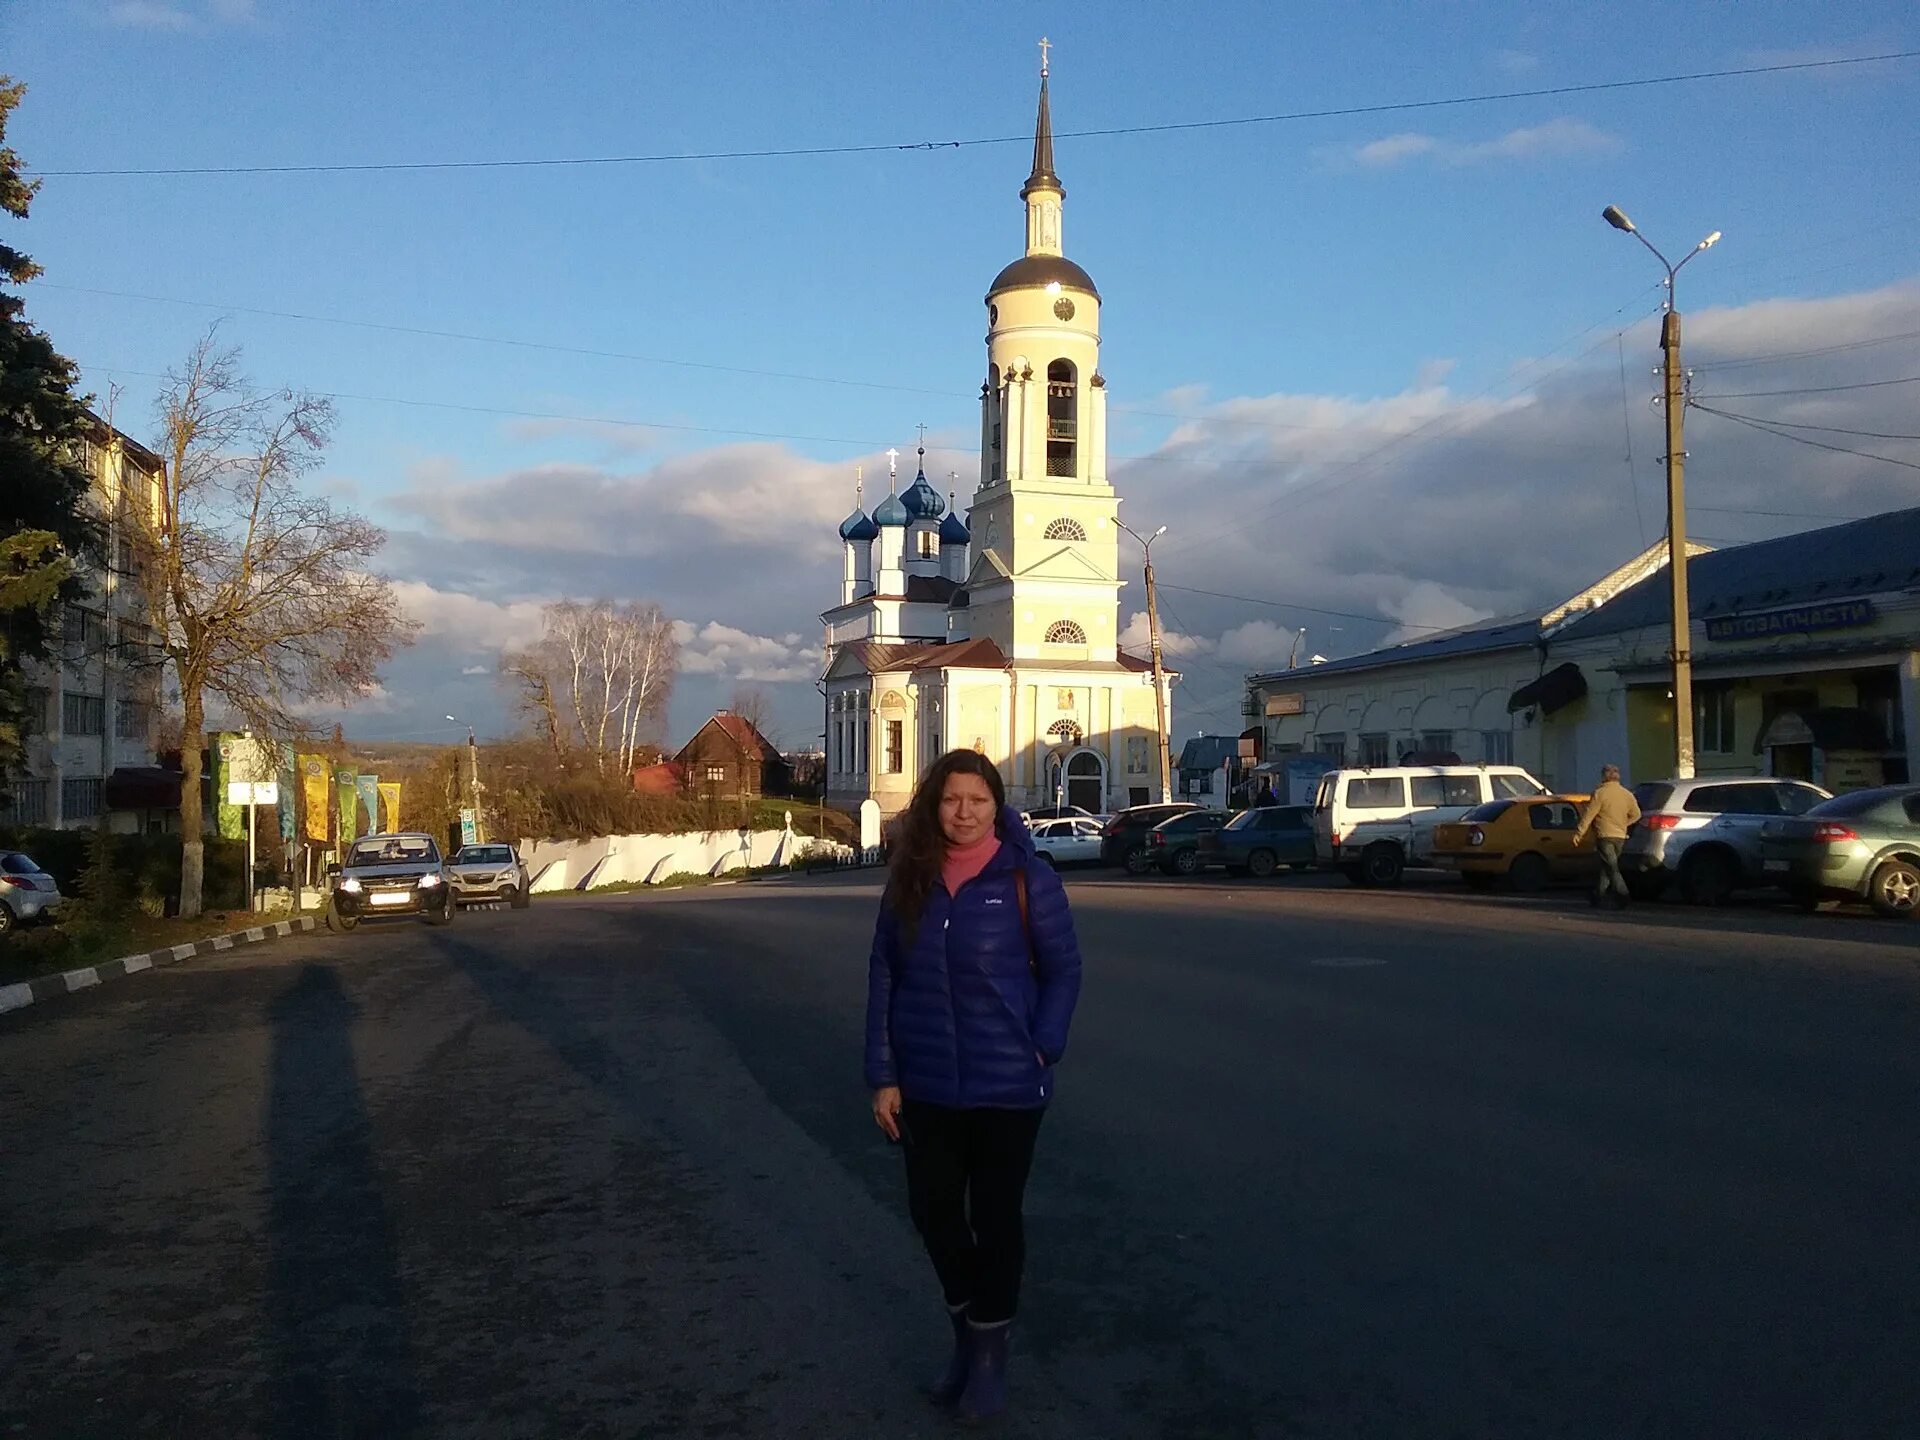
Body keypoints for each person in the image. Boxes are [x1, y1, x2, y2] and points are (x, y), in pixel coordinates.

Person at [865, 749, 1083, 1423]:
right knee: (933, 1212)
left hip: (1007, 1086)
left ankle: (989, 1358)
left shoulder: (1028, 878)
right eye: (952, 800)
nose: (964, 812)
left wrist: (1042, 1044)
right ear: (935, 804)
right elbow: (884, 976)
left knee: (995, 1219)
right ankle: (968, 1334)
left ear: (997, 805)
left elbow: (1064, 970)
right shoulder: (911, 877)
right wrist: (883, 1074)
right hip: (926, 1083)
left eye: (977, 800)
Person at [1573, 763, 1643, 909]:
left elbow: (1588, 815)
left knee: (1611, 867)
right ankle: (1597, 895)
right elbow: (1637, 815)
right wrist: (1625, 824)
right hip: (1620, 837)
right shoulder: (1627, 794)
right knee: (1608, 867)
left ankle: (1623, 896)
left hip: (1604, 835)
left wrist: (1579, 833)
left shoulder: (1600, 794)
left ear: (1604, 776)